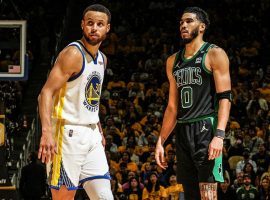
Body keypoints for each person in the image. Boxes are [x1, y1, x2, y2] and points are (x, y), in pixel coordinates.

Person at [37, 4, 114, 200]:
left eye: (99, 24)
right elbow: (45, 93)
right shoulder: (73, 54)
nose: (94, 28)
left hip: (91, 134)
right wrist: (46, 132)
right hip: (66, 133)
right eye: (90, 23)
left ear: (107, 28)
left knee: (104, 196)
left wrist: (97, 125)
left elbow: (90, 97)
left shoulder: (102, 60)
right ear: (82, 25)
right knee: (63, 197)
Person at [155, 7, 232, 200]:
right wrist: (161, 140)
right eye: (181, 22)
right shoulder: (173, 61)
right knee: (190, 194)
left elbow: (225, 98)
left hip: (206, 127)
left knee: (208, 193)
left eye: (189, 21)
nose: (183, 25)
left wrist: (220, 136)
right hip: (182, 130)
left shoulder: (214, 54)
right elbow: (172, 106)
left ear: (202, 26)